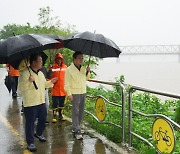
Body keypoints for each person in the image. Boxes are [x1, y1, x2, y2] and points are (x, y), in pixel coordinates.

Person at [18, 53, 58, 152]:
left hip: (41, 102)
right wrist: (29, 81)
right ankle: (30, 142)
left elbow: (44, 84)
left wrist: (51, 82)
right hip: (30, 103)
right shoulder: (24, 73)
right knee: (30, 123)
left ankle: (39, 133)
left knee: (43, 119)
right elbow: (20, 88)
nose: (41, 63)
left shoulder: (40, 73)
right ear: (33, 62)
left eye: (41, 61)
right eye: (39, 61)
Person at [64, 51, 90, 140]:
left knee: (81, 112)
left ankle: (78, 126)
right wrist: (69, 94)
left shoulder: (83, 69)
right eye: (79, 58)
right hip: (74, 93)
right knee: (75, 112)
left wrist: (87, 72)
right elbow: (66, 83)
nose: (81, 60)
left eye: (82, 58)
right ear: (74, 59)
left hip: (83, 92)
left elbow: (86, 78)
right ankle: (76, 130)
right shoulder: (69, 69)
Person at [48, 53, 67, 123]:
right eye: (58, 59)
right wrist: (50, 86)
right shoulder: (52, 68)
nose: (59, 60)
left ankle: (61, 115)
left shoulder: (65, 67)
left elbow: (67, 77)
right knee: (55, 103)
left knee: (62, 104)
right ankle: (54, 116)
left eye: (60, 59)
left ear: (62, 60)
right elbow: (49, 78)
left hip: (63, 89)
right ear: (56, 60)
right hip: (55, 89)